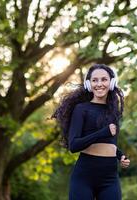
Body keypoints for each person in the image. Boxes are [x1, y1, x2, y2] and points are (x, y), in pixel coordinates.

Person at [52, 64, 130, 200]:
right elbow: (74, 145)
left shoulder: (113, 111)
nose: (99, 84)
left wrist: (120, 156)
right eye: (95, 80)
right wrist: (102, 132)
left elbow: (109, 142)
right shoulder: (81, 109)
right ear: (88, 84)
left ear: (112, 82)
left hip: (110, 177)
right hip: (85, 176)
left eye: (104, 79)